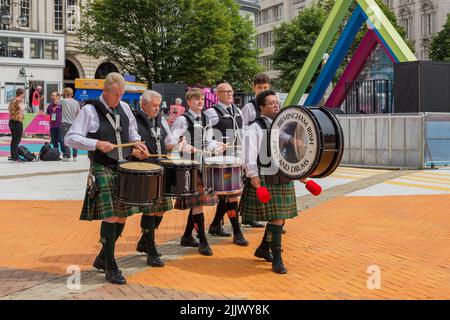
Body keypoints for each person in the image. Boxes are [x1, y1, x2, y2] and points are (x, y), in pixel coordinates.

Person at [65, 73, 148, 285]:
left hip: (123, 167)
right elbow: (70, 138)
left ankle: (102, 257)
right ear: (105, 91)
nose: (119, 99)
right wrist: (95, 144)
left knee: (122, 216)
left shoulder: (126, 108)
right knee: (111, 217)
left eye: (121, 95)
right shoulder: (90, 110)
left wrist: (137, 146)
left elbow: (133, 133)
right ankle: (111, 265)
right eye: (116, 95)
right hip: (102, 167)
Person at [238, 90, 303, 274]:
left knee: (281, 217)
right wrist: (253, 175)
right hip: (265, 174)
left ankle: (263, 248)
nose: (277, 105)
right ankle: (278, 257)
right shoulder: (254, 128)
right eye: (272, 103)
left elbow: (285, 142)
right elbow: (248, 155)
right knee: (278, 216)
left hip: (282, 173)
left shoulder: (280, 126)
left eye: (277, 102)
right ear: (261, 107)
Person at [171, 88, 226, 256]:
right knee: (198, 204)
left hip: (203, 164)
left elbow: (208, 141)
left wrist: (217, 146)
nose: (200, 101)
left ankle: (187, 236)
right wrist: (184, 146)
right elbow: (171, 141)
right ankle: (203, 241)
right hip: (189, 166)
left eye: (202, 99)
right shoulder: (182, 120)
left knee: (197, 203)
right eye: (196, 99)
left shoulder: (205, 118)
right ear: (188, 102)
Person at [132, 90, 176, 267]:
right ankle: (151, 249)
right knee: (150, 210)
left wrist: (178, 144)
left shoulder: (161, 120)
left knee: (161, 209)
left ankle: (144, 241)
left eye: (159, 105)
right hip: (145, 168)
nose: (158, 109)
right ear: (143, 104)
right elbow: (131, 142)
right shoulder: (134, 120)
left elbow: (168, 142)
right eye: (154, 106)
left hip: (161, 166)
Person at [204, 83, 248, 246]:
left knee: (227, 195)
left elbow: (242, 133)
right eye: (225, 92)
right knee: (232, 195)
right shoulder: (211, 112)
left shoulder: (237, 111)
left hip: (235, 158)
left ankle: (215, 225)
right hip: (220, 160)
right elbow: (205, 135)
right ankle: (237, 232)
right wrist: (216, 145)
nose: (229, 94)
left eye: (231, 91)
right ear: (217, 94)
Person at [240, 73, 271, 228]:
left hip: (268, 149)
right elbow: (242, 128)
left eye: (265, 87)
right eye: (259, 87)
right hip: (254, 149)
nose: (262, 90)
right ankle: (249, 216)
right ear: (254, 88)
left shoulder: (271, 105)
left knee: (265, 182)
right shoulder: (248, 107)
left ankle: (255, 215)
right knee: (253, 182)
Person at [60, 87, 81, 161]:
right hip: (74, 123)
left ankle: (68, 156)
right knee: (74, 139)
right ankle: (75, 156)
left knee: (66, 139)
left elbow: (56, 101)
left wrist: (61, 95)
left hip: (65, 123)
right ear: (72, 94)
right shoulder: (76, 102)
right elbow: (78, 113)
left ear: (65, 93)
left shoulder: (62, 101)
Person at [8, 88, 25, 162]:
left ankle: (13, 156)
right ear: (21, 93)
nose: (24, 95)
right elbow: (21, 108)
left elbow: (9, 109)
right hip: (17, 122)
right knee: (17, 140)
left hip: (11, 121)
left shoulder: (12, 100)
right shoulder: (19, 100)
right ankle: (16, 157)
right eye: (23, 93)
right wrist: (20, 115)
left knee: (13, 140)